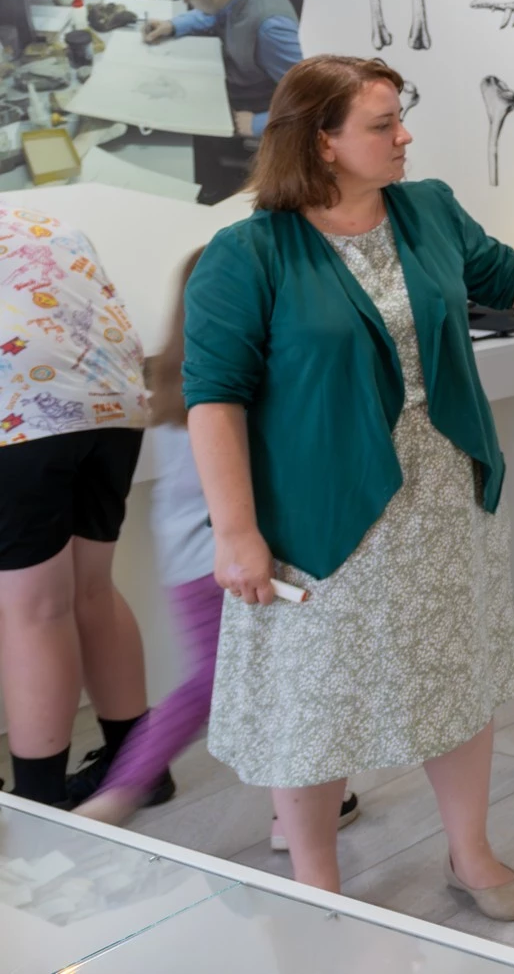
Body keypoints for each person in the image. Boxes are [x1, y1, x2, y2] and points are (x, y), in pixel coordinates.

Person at [181, 55, 514, 914]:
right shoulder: (247, 253)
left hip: (443, 500)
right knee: (316, 696)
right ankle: (318, 880)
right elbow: (213, 398)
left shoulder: (427, 209)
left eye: (398, 118)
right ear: (322, 141)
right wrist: (236, 531)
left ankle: (469, 851)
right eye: (383, 124)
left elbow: (502, 274)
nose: (404, 135)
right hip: (323, 516)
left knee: (456, 675)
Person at [73, 248, 361, 846]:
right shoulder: (250, 382)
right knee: (270, 682)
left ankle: (298, 811)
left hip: (192, 561)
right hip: (251, 558)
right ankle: (125, 791)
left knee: (248, 682)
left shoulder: (171, 382)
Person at [0, 204, 159, 809]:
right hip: (114, 407)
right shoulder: (39, 220)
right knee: (91, 588)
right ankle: (139, 768)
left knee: (35, 610)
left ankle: (40, 806)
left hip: (22, 418)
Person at [143, 0, 302, 141]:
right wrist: (172, 25)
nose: (185, 0)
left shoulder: (271, 27)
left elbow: (318, 99)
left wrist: (259, 124)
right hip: (230, 79)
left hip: (251, 107)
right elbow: (218, 11)